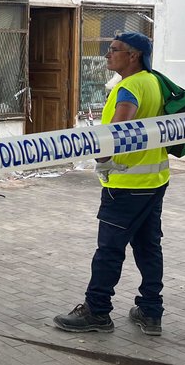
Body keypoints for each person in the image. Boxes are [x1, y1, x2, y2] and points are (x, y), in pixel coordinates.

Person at [54, 32, 168, 336]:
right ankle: (150, 311)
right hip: (154, 181)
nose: (107, 54)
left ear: (133, 56)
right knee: (148, 247)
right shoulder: (153, 81)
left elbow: (117, 131)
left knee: (109, 249)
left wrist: (102, 157)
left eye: (113, 50)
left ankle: (97, 311)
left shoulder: (129, 88)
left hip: (126, 185)